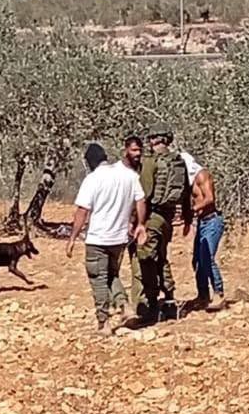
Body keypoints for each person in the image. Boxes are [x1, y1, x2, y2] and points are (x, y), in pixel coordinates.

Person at [67, 138, 147, 335]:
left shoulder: (92, 179)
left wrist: (72, 238)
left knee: (98, 279)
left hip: (98, 239)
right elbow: (141, 200)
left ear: (89, 162)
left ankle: (104, 323)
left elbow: (82, 211)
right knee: (112, 275)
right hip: (119, 239)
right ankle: (124, 306)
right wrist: (141, 224)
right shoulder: (128, 175)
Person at [134, 128, 188, 323]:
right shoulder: (178, 162)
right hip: (168, 219)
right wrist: (187, 218)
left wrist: (135, 221)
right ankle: (170, 301)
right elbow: (185, 193)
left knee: (147, 260)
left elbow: (144, 194)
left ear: (155, 139)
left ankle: (152, 306)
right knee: (162, 259)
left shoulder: (151, 161)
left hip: (152, 217)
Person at [184, 153, 225, 310]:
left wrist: (193, 210)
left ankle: (219, 293)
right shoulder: (189, 182)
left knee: (207, 257)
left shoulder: (202, 175)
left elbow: (209, 198)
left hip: (212, 221)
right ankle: (203, 296)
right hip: (202, 222)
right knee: (197, 260)